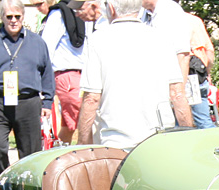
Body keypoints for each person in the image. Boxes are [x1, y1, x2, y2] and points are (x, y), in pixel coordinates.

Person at [77, 0, 192, 147]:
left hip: (116, 141)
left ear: (111, 9)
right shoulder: (161, 38)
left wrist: (83, 145)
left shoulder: (97, 39)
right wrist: (189, 136)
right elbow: (177, 94)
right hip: (159, 139)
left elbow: (91, 99)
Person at [0, 0, 55, 181]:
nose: (14, 20)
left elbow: (47, 73)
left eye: (18, 16)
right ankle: (2, 186)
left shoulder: (38, 42)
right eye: (9, 17)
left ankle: (28, 189)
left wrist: (47, 101)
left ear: (23, 16)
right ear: (2, 17)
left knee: (31, 152)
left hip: (29, 102)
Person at [41, 0, 88, 143]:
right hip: (67, 74)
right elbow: (46, 49)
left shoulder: (88, 10)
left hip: (86, 73)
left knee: (71, 125)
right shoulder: (58, 14)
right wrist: (44, 82)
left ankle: (58, 155)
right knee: (81, 123)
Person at [182, 9, 215, 129]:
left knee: (176, 125)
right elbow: (210, 52)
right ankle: (215, 145)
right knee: (203, 120)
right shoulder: (195, 20)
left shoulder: (164, 20)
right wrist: (207, 73)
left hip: (183, 74)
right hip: (198, 74)